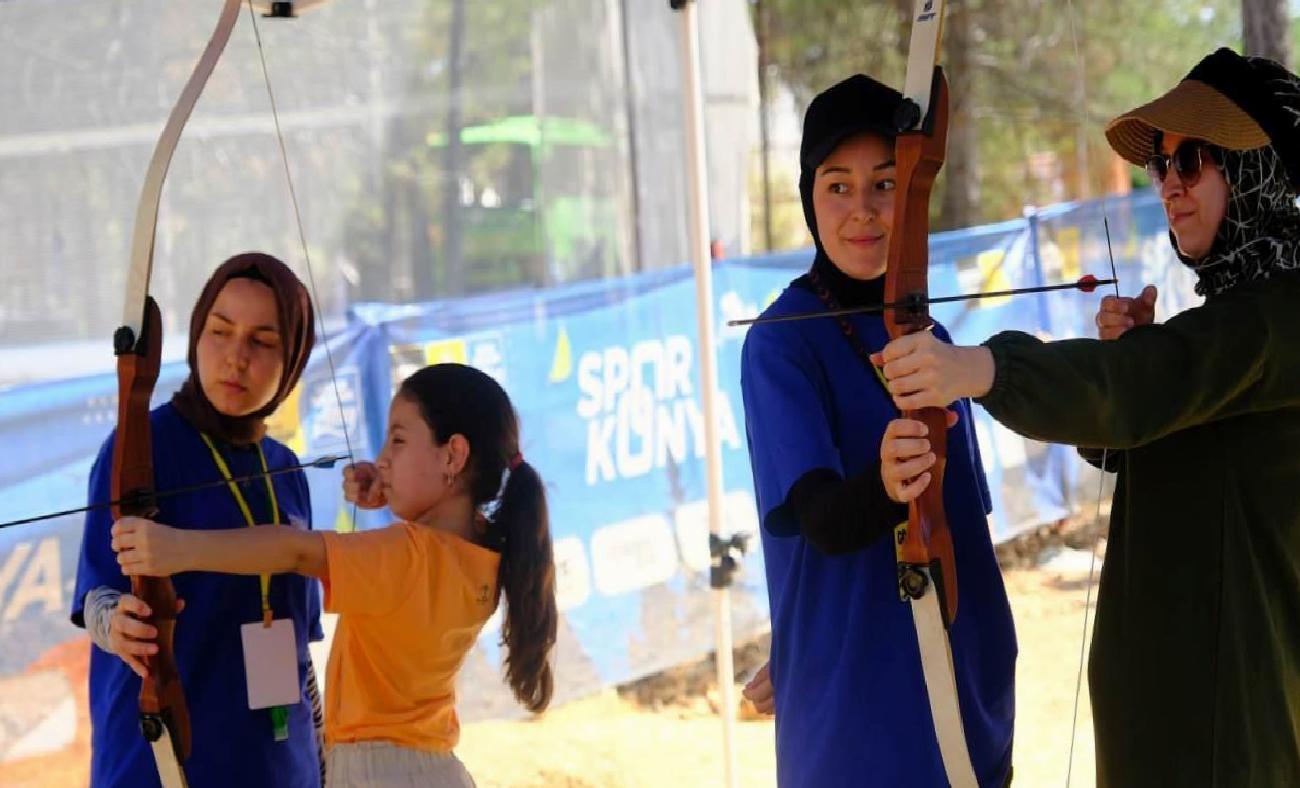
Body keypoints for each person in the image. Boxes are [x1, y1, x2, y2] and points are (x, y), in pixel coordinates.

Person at [874, 48, 1300, 785]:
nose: (1167, 184)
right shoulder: (1233, 318)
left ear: (1256, 166)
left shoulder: (1277, 318)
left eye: (1192, 159)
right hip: (1172, 720)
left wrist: (979, 370)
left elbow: (1149, 385)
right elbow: (1154, 413)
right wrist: (1129, 365)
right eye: (1160, 165)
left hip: (1226, 733)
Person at [739, 73, 1016, 787]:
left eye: (886, 184)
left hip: (965, 714)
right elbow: (824, 523)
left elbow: (964, 534)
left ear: (915, 196)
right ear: (809, 198)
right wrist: (887, 485)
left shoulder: (935, 336)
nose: (861, 211)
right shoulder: (781, 343)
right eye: (837, 186)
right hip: (854, 731)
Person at [112, 362, 559, 787]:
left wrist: (178, 548)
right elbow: (439, 537)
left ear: (454, 455)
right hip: (435, 767)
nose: (382, 459)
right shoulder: (487, 551)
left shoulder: (407, 556)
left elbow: (293, 551)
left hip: (374, 774)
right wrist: (395, 492)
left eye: (398, 441)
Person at [72, 252, 326, 787]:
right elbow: (96, 597)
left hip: (275, 764)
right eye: (220, 331)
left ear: (294, 360)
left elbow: (298, 651)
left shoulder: (285, 469)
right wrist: (116, 624)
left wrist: (319, 763)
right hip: (159, 766)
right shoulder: (138, 449)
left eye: (262, 341)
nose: (235, 357)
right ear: (195, 336)